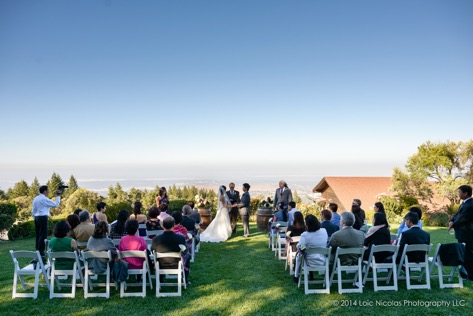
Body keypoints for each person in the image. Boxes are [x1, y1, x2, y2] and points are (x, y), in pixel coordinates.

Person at [152, 216, 190, 284]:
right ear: (173, 226)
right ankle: (185, 280)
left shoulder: (156, 239)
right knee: (188, 255)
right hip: (176, 264)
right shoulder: (180, 238)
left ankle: (160, 279)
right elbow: (185, 251)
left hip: (161, 265)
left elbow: (152, 251)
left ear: (163, 226)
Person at [449, 185, 473, 280]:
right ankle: (465, 273)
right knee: (464, 253)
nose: (458, 194)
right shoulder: (464, 203)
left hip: (467, 234)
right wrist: (451, 220)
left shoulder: (470, 204)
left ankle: (470, 276)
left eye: (460, 192)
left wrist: (452, 225)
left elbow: (462, 218)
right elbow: (457, 214)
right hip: (462, 234)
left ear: (465, 193)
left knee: (468, 254)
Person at [294, 215, 328, 283]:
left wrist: (300, 246)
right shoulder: (324, 231)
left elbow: (300, 246)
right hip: (323, 260)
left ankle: (296, 276)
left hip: (309, 262)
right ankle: (309, 275)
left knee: (299, 254)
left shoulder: (305, 235)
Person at [31, 185, 61, 257]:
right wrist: (58, 196)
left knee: (38, 235)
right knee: (43, 235)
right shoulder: (44, 199)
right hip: (42, 218)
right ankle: (41, 252)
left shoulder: (35, 198)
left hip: (37, 218)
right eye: (48, 190)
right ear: (44, 191)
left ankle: (38, 250)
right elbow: (55, 204)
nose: (49, 191)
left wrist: (34, 217)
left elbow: (33, 210)